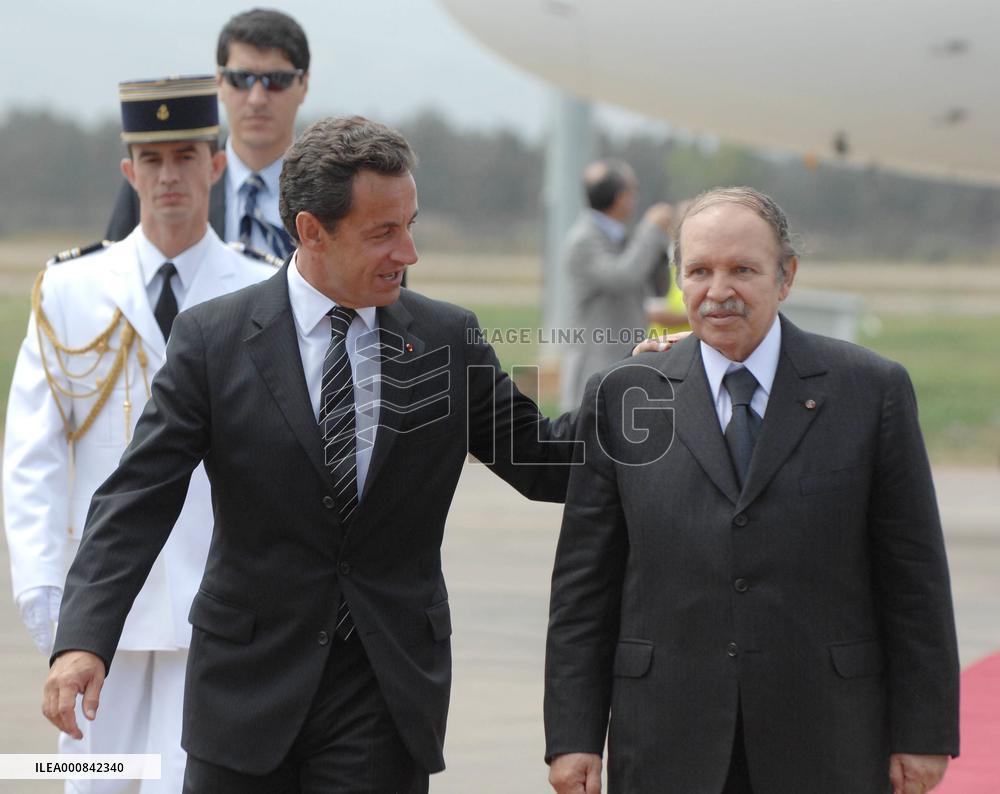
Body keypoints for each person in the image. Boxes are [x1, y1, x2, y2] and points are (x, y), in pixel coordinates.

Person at [43, 115, 577, 793]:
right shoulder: (215, 340)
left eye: (410, 224)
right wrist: (84, 638)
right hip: (244, 691)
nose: (408, 252)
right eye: (384, 232)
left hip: (383, 694)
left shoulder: (447, 340)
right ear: (310, 232)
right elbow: (137, 496)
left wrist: (659, 394)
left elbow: (543, 458)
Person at [544, 187, 960, 794]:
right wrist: (573, 736)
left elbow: (914, 577)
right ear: (677, 279)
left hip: (828, 738)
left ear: (786, 276)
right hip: (665, 739)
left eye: (742, 269)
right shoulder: (625, 396)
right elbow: (585, 586)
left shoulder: (871, 392)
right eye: (700, 271)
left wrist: (923, 732)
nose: (718, 291)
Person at [3, 76, 277, 792]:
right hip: (102, 623)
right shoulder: (70, 289)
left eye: (186, 156)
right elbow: (33, 457)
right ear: (130, 172)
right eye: (151, 161)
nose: (169, 176)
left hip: (215, 615)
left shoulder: (263, 291)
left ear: (216, 166)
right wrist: (45, 599)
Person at [105, 8, 309, 260]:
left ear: (304, 84)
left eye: (277, 79)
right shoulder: (158, 180)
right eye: (241, 79)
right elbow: (116, 278)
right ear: (219, 83)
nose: (257, 99)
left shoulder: (327, 187)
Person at [559, 159, 674, 411]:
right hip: (595, 363)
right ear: (622, 198)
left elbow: (657, 287)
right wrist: (651, 229)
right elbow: (623, 277)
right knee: (589, 444)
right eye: (633, 190)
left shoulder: (620, 236)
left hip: (620, 360)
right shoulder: (584, 240)